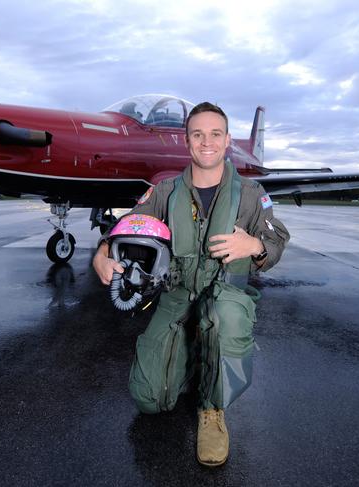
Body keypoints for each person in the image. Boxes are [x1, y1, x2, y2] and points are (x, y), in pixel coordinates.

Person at [93, 102, 289, 467]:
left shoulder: (250, 193)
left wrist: (255, 246)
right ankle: (193, 358)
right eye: (198, 134)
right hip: (177, 295)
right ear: (187, 141)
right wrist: (102, 252)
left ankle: (212, 409)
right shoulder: (164, 191)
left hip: (226, 294)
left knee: (224, 316)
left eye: (216, 134)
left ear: (227, 140)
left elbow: (277, 240)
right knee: (149, 399)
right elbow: (129, 223)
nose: (207, 142)